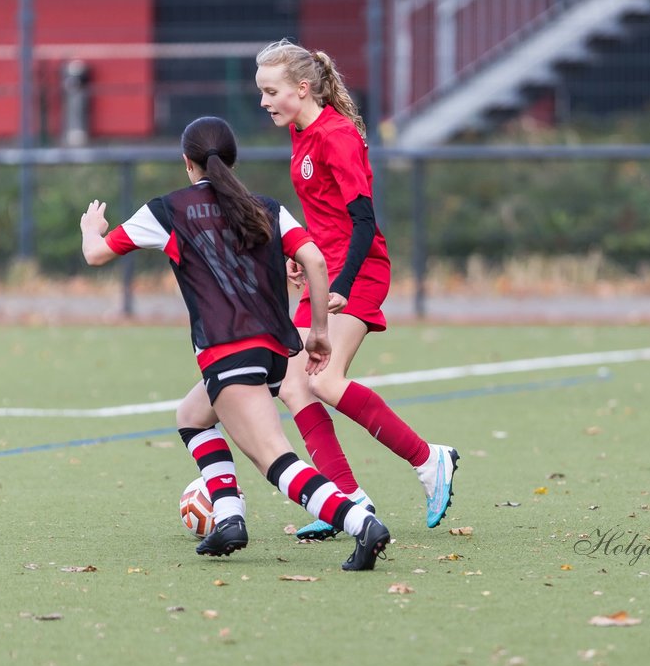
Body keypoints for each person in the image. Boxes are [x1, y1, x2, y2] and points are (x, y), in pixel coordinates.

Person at [175, 39, 458, 542]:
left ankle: (428, 459)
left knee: (324, 381)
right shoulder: (303, 134)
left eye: (270, 91)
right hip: (328, 272)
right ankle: (348, 497)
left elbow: (364, 223)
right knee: (293, 383)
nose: (262, 102)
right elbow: (326, 215)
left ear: (301, 89)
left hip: (360, 272)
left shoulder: (337, 135)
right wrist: (303, 259)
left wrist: (341, 287)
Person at [80, 116, 391, 571]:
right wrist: (320, 331)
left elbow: (96, 253)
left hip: (229, 351)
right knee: (192, 416)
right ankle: (228, 517)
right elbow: (315, 261)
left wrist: (92, 226)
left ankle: (360, 522)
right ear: (232, 160)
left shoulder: (169, 209)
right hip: (271, 352)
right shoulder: (265, 206)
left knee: (276, 460)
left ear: (187, 163)